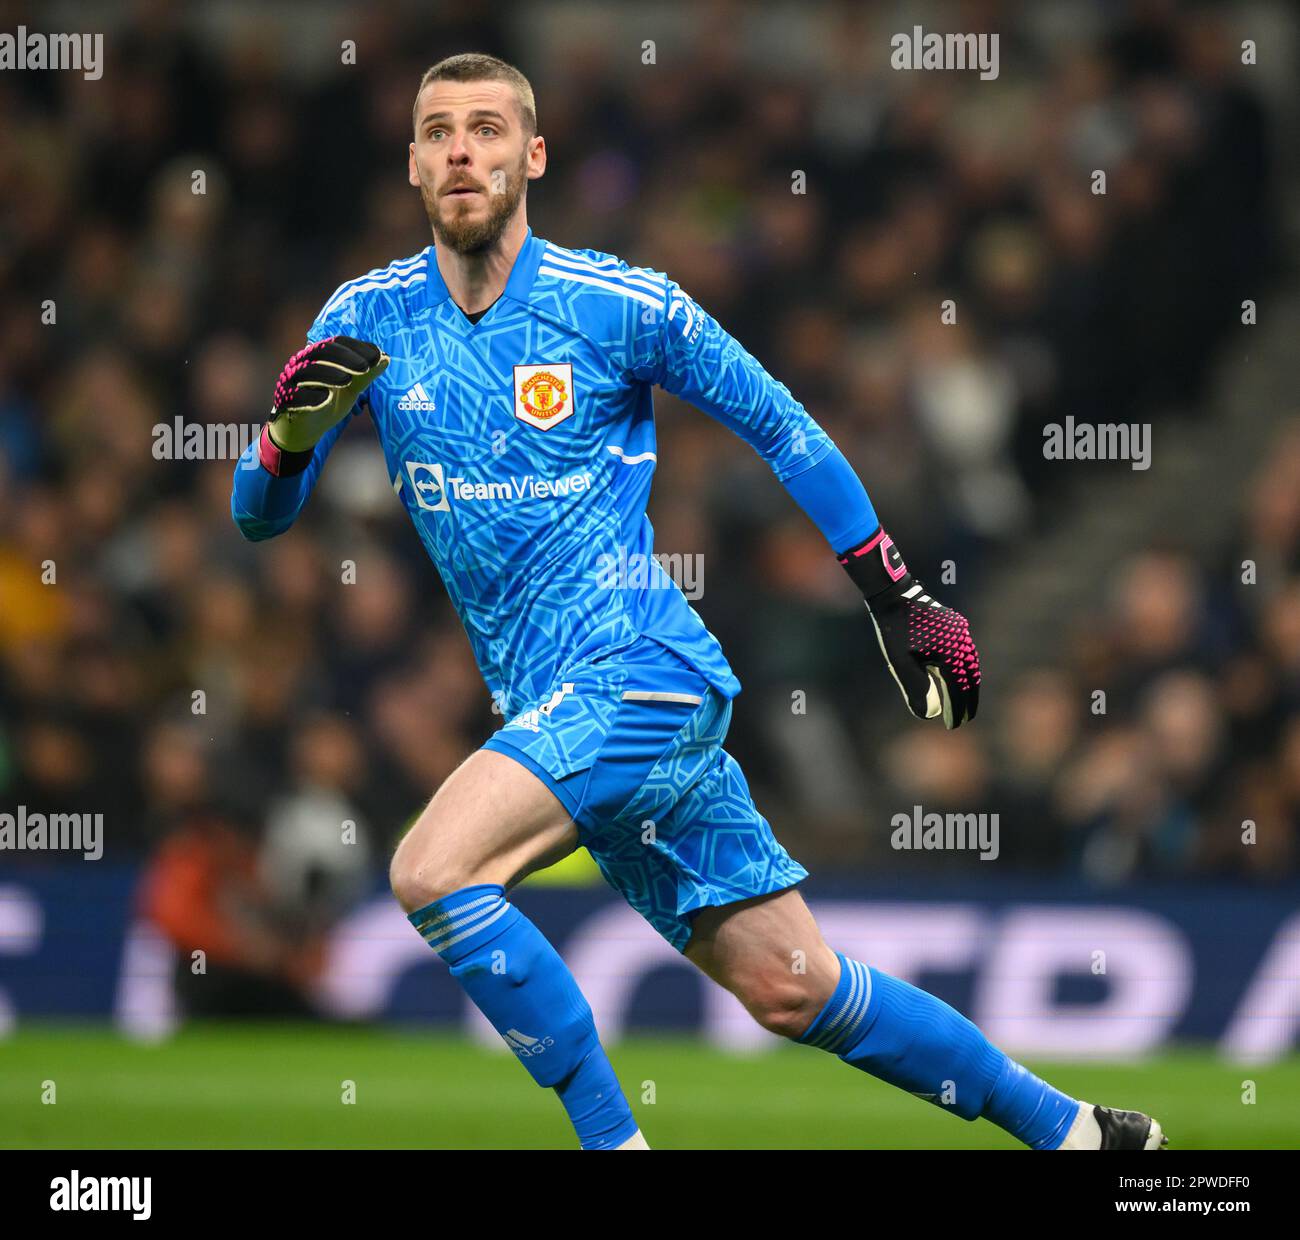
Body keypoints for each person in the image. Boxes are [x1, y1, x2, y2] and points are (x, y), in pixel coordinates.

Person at [230, 53, 1164, 1151]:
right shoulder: (369, 317)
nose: (461, 151)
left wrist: (894, 594)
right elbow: (259, 517)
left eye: (487, 129)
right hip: (563, 709)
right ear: (412, 162)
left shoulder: (615, 304)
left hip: (637, 670)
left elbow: (782, 424)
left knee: (432, 869)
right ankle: (1076, 1133)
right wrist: (284, 440)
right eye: (438, 131)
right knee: (793, 985)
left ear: (532, 155)